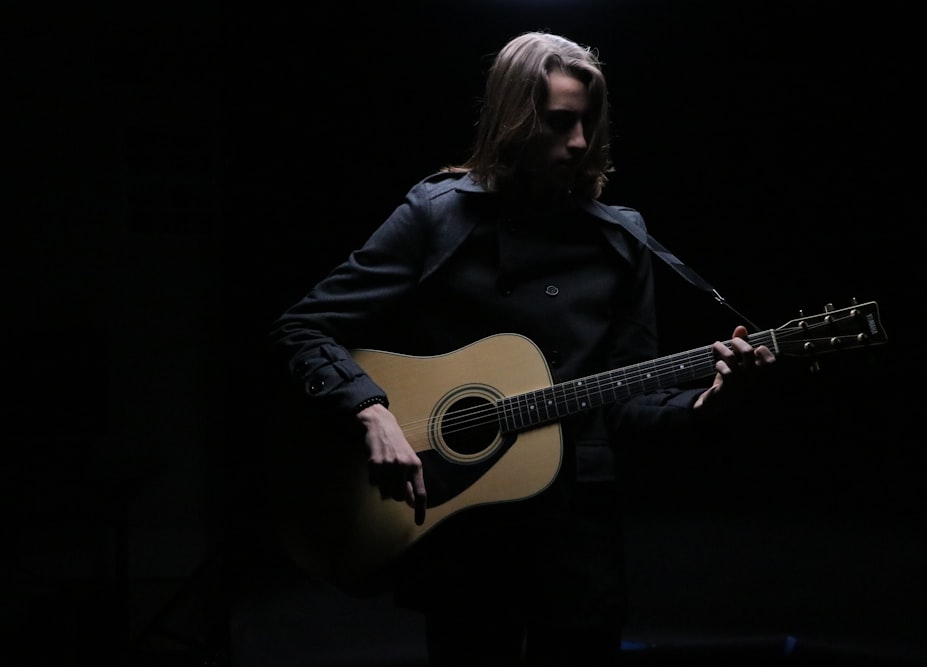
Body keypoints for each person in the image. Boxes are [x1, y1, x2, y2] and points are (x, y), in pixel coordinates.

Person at [268, 30, 776, 667]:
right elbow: (302, 328)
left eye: (589, 121)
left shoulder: (622, 239)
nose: (580, 143)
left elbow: (627, 405)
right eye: (561, 122)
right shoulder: (437, 216)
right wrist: (370, 409)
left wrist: (712, 401)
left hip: (578, 539)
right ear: (516, 118)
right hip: (465, 532)